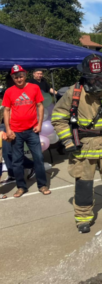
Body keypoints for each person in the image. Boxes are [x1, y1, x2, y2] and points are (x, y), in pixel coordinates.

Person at [51, 54, 102, 233]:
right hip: (83, 146)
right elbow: (57, 117)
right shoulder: (73, 93)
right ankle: (83, 219)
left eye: (100, 77)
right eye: (92, 77)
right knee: (84, 185)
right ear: (85, 76)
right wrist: (68, 141)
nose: (96, 81)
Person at [2, 65, 50, 198]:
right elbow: (6, 110)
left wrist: (40, 124)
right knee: (17, 161)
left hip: (32, 130)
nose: (19, 79)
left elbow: (40, 106)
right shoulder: (9, 92)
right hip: (16, 132)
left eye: (21, 76)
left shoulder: (34, 88)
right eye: (16, 77)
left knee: (39, 158)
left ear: (26, 75)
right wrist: (8, 129)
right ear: (12, 78)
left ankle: (42, 185)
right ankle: (21, 187)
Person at [0, 73, 35, 186]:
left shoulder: (14, 92)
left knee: (10, 152)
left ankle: (30, 165)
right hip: (3, 126)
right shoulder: (6, 92)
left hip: (11, 126)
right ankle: (12, 173)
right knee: (6, 153)